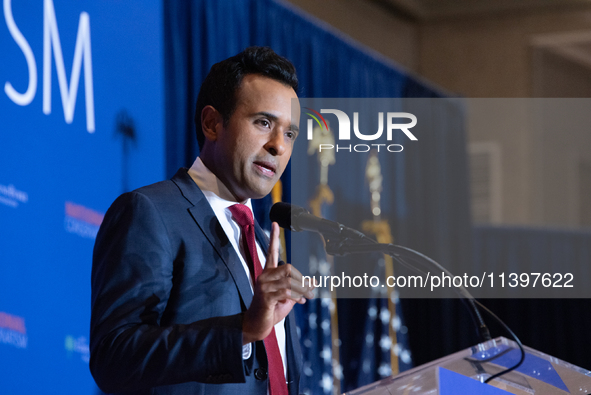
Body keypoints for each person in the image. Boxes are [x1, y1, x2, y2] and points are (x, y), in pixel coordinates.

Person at [90, 46, 314, 395]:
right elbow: (114, 357)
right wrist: (241, 330)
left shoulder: (264, 245)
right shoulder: (150, 212)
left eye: (290, 133)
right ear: (212, 123)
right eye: (264, 123)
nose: (278, 146)